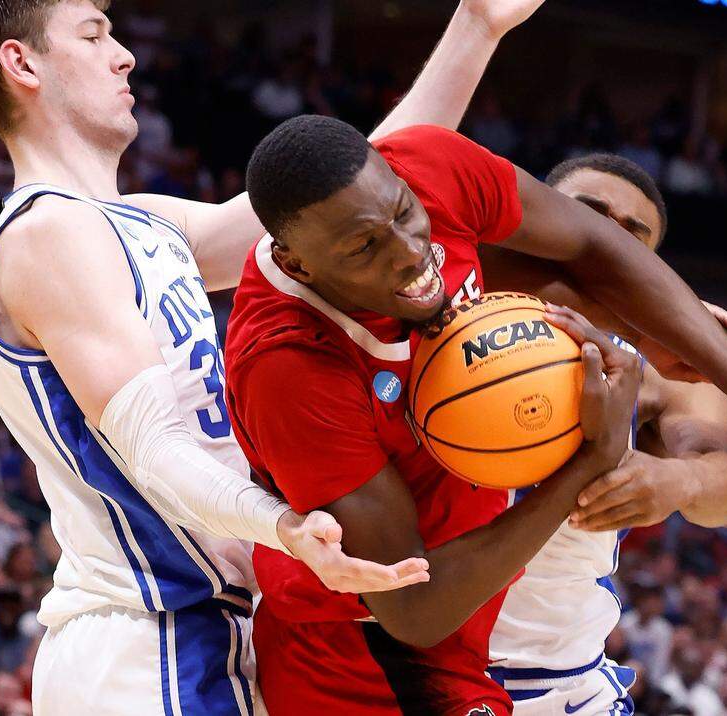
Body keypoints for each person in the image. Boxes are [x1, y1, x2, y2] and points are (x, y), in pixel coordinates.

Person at [0, 0, 551, 712]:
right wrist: (283, 526)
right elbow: (153, 446)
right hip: (145, 637)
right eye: (94, 34)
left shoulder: (145, 224)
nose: (124, 54)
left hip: (204, 630)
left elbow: (342, 191)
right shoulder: (50, 235)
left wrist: (476, 27)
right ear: (22, 63)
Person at [231, 115, 641, 714]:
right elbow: (412, 608)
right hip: (356, 650)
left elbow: (721, 480)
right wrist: (588, 462)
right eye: (366, 245)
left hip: (467, 639)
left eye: (404, 214)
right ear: (299, 266)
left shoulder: (435, 206)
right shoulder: (290, 363)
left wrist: (716, 367)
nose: (410, 250)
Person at [481, 153, 727, 715]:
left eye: (634, 233)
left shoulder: (667, 361)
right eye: (591, 213)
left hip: (553, 679)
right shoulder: (453, 301)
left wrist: (680, 480)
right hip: (403, 650)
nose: (609, 236)